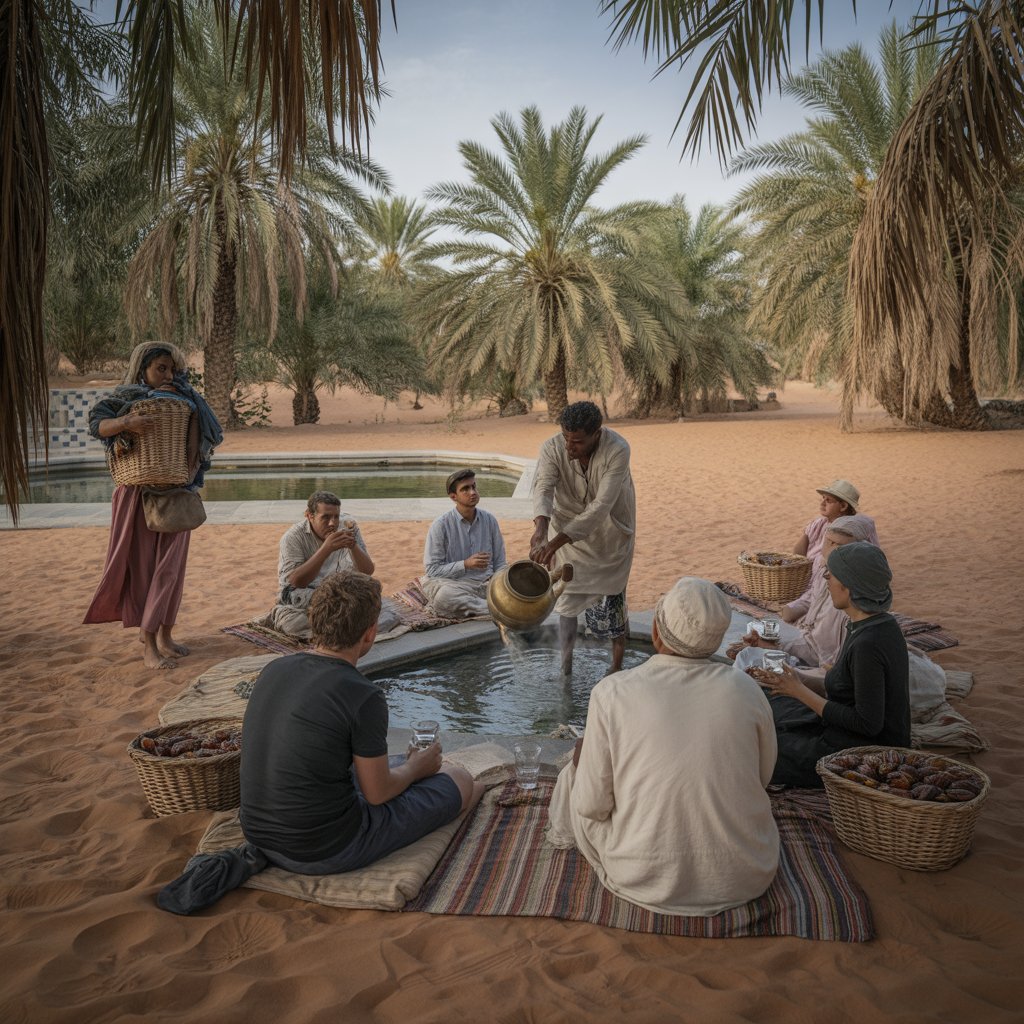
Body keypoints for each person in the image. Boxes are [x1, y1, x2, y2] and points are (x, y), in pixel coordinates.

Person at [546, 577, 779, 916]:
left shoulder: (612, 692)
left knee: (573, 774)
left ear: (657, 632)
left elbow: (592, 806)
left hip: (643, 877)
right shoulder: (747, 690)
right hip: (744, 875)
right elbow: (762, 778)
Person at [240, 571, 485, 875]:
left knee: (407, 768)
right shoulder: (362, 694)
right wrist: (414, 769)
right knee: (461, 779)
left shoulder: (275, 668)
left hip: (259, 835)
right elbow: (377, 794)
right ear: (370, 633)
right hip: (324, 848)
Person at [84, 341, 222, 670]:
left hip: (177, 492)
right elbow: (97, 424)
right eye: (161, 368)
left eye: (172, 369)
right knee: (144, 571)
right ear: (142, 368)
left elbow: (203, 435)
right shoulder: (125, 398)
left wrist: (188, 401)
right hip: (137, 495)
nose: (168, 375)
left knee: (171, 571)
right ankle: (148, 644)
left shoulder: (187, 401)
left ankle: (166, 636)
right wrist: (125, 424)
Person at [763, 542, 911, 788]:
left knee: (757, 745)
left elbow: (867, 724)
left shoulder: (868, 643)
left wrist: (799, 691)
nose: (826, 578)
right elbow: (852, 689)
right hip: (841, 730)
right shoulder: (875, 625)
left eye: (831, 574)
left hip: (862, 754)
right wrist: (795, 682)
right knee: (768, 702)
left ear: (849, 587)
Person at [529, 401, 636, 675]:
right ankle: (565, 665)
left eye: (576, 441)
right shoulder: (552, 447)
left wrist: (553, 543)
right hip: (564, 527)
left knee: (614, 598)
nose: (568, 447)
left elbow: (601, 507)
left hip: (610, 533)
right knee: (566, 598)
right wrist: (541, 531)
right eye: (565, 438)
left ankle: (616, 666)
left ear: (596, 435)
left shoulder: (618, 449)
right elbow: (543, 488)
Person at [731, 514, 876, 678]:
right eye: (830, 542)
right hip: (811, 648)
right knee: (752, 647)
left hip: (826, 670)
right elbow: (813, 640)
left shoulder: (850, 608)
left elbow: (831, 670)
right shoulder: (824, 572)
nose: (832, 548)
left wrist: (793, 677)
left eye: (839, 544)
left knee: (748, 661)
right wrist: (768, 645)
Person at [268, 491, 402, 638]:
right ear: (309, 516)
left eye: (336, 517)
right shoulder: (293, 537)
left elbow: (367, 571)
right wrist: (326, 548)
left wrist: (353, 546)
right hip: (305, 595)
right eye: (325, 517)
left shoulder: (347, 525)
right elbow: (296, 581)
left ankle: (338, 630)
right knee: (292, 624)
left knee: (375, 594)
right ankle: (349, 629)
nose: (332, 523)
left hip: (338, 590)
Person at [783, 479, 879, 617]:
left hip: (830, 588)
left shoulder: (850, 529)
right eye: (822, 498)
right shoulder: (818, 524)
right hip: (806, 584)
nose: (822, 503)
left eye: (828, 500)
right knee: (786, 610)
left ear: (843, 506)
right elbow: (798, 552)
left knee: (788, 614)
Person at [420, 469, 507, 618]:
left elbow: (500, 562)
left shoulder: (489, 520)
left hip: (486, 585)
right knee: (444, 597)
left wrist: (501, 583)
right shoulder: (440, 525)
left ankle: (492, 606)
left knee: (517, 579)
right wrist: (465, 564)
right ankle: (499, 609)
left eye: (474, 486)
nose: (473, 492)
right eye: (465, 489)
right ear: (453, 496)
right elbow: (432, 570)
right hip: (453, 585)